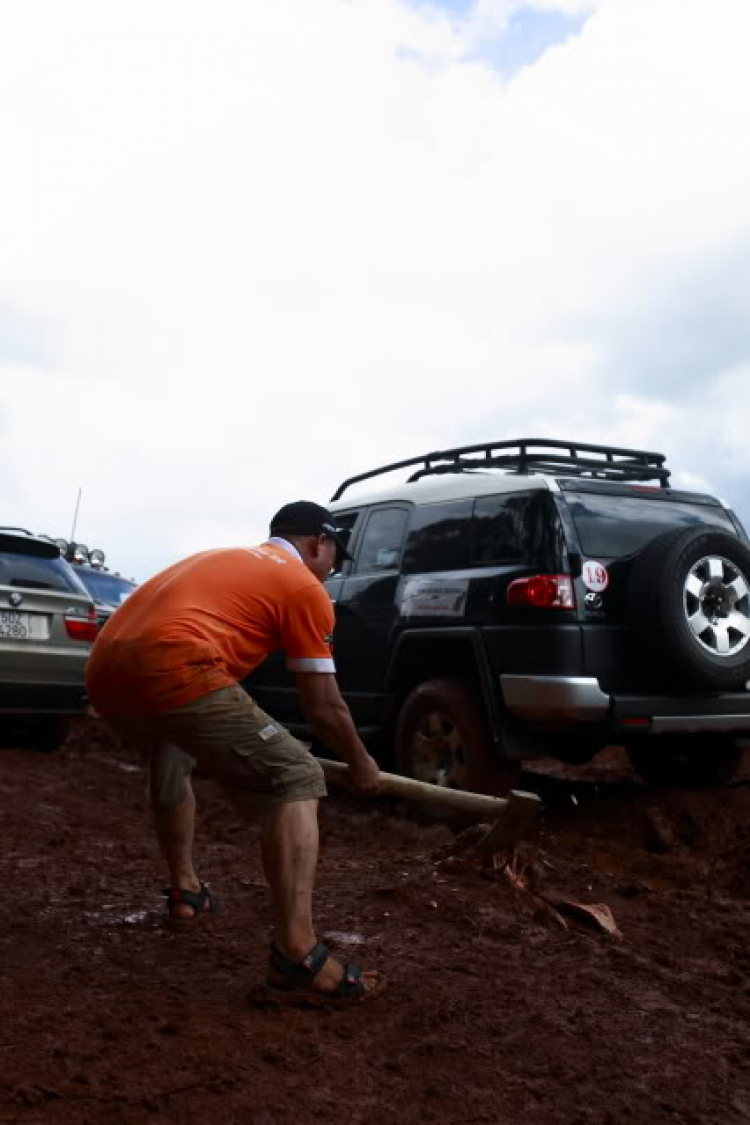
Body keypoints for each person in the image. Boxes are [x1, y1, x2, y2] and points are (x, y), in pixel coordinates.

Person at [85, 501, 384, 1005]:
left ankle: (186, 893)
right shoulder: (303, 586)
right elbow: (324, 706)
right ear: (317, 543)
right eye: (335, 555)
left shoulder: (224, 560)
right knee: (296, 774)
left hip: (105, 669)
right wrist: (361, 762)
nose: (333, 568)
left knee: (170, 750)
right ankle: (297, 955)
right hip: (173, 661)